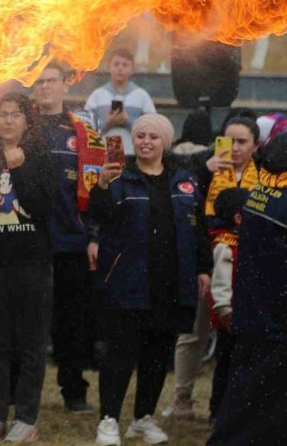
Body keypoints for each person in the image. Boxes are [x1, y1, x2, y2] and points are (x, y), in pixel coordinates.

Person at [88, 114, 212, 446]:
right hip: (127, 283)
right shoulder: (119, 177)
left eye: (153, 137)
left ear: (165, 142)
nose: (145, 141)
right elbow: (96, 216)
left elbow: (198, 228)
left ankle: (143, 417)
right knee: (120, 354)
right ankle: (109, 420)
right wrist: (100, 186)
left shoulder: (184, 181)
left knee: (158, 354)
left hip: (170, 284)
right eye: (140, 135)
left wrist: (203, 268)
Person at [0, 93, 55, 443]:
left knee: (30, 344)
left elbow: (42, 209)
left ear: (26, 121)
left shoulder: (40, 156)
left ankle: (25, 417)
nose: (7, 121)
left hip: (32, 263)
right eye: (1, 115)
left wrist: (19, 169)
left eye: (14, 115)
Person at [168, 116, 260, 420]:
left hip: (246, 264)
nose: (234, 148)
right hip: (204, 258)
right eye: (228, 140)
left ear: (255, 146)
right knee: (193, 332)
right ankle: (182, 399)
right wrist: (201, 172)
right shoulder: (204, 168)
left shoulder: (265, 176)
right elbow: (179, 190)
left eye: (242, 142)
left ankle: (227, 406)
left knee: (236, 336)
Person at [208, 132, 287, 445]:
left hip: (253, 314)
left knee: (245, 399)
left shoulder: (259, 193)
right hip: (283, 323)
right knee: (271, 409)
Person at [32, 61, 104, 413]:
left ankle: (74, 392)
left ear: (64, 85)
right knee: (28, 323)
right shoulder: (19, 125)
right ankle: (21, 393)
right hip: (29, 243)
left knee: (71, 323)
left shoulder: (83, 131)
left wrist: (93, 235)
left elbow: (97, 190)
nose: (45, 87)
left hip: (71, 243)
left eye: (51, 81)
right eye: (39, 82)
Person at [207, 187, 249, 425]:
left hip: (243, 317)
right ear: (238, 217)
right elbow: (221, 284)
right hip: (231, 319)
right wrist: (225, 311)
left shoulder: (243, 241)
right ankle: (217, 411)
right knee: (226, 366)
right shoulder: (226, 244)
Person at [84, 47, 156, 155]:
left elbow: (153, 127)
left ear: (132, 69)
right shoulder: (97, 95)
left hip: (134, 154)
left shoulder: (141, 95)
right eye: (116, 64)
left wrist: (128, 121)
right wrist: (107, 123)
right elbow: (85, 128)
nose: (120, 68)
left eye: (125, 65)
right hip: (103, 153)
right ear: (109, 67)